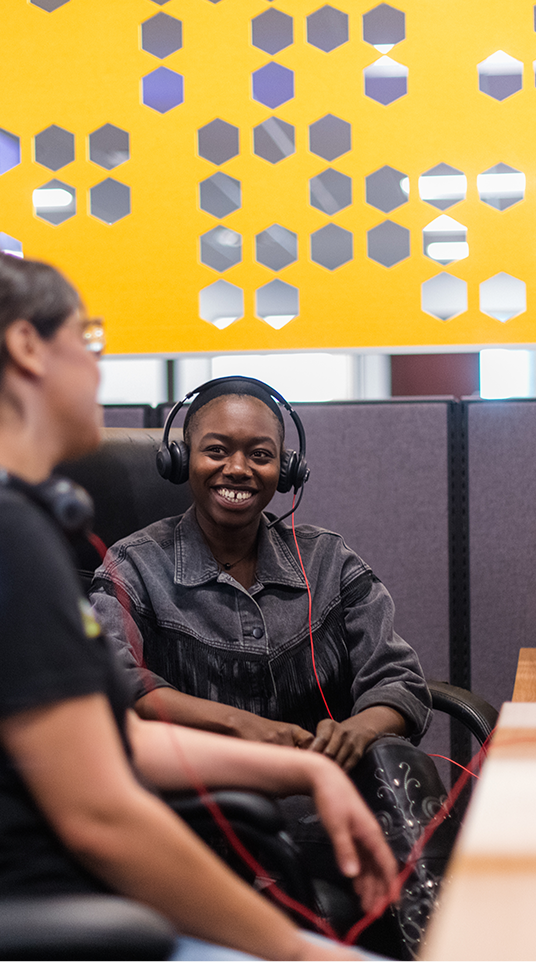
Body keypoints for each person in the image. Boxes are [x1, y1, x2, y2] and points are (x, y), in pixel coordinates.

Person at [0, 250, 401, 962]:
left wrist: (308, 769)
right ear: (26, 348)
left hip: (51, 899)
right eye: (89, 339)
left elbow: (112, 741)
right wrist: (297, 953)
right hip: (11, 914)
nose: (98, 367)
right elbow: (100, 815)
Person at [88, 378, 457, 956]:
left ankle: (440, 944)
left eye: (260, 455)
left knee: (392, 757)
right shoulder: (135, 565)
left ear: (285, 471)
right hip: (205, 807)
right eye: (216, 450)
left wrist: (357, 731)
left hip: (325, 800)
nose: (238, 468)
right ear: (181, 459)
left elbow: (397, 679)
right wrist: (241, 727)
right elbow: (120, 687)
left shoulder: (327, 561)